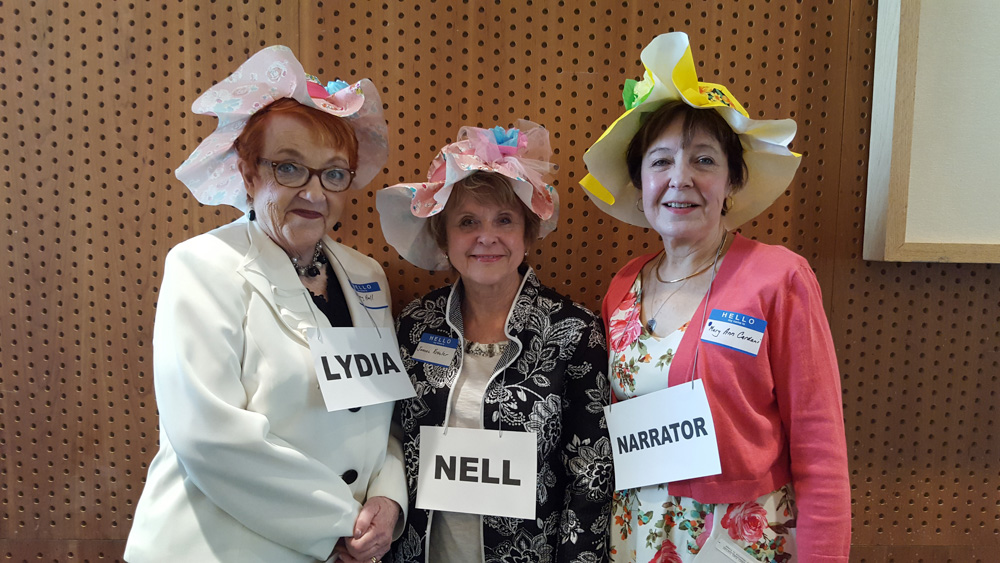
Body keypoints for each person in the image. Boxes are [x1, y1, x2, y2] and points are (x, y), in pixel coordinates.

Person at [125, 46, 406, 563]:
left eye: (334, 173)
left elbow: (379, 409)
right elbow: (210, 437)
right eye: (290, 168)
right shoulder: (202, 267)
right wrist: (340, 522)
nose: (315, 193)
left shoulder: (366, 275)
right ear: (249, 173)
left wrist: (388, 499)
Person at [579, 33, 850, 562]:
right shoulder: (623, 287)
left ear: (731, 181)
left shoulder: (779, 278)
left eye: (703, 160)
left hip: (739, 545)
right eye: (660, 162)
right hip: (634, 536)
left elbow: (820, 448)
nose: (680, 179)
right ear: (640, 182)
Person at [376, 121, 614, 562]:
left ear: (527, 233)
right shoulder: (415, 324)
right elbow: (387, 437)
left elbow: (591, 476)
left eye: (504, 220)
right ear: (444, 237)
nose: (486, 236)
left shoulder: (574, 332)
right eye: (468, 222)